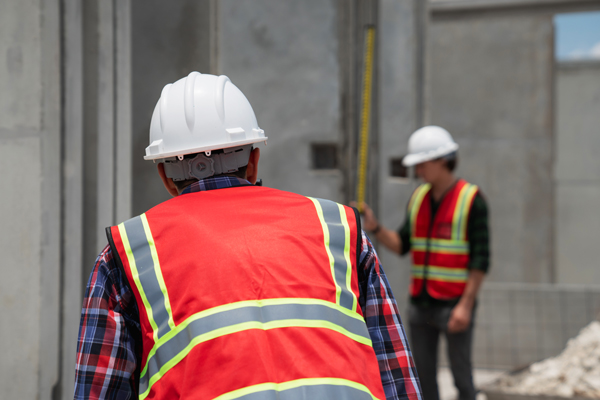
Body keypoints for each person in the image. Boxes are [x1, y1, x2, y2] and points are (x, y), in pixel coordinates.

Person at [74, 72, 422, 400]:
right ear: (253, 159)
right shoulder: (337, 227)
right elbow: (396, 374)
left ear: (165, 176)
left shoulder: (129, 253)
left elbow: (99, 387)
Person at [357, 126, 490, 400]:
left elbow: (481, 260)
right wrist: (376, 228)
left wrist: (465, 306)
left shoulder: (471, 200)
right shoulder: (418, 198)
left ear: (442, 160)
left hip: (454, 305)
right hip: (421, 304)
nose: (418, 171)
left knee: (462, 379)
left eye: (421, 164)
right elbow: (402, 245)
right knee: (424, 380)